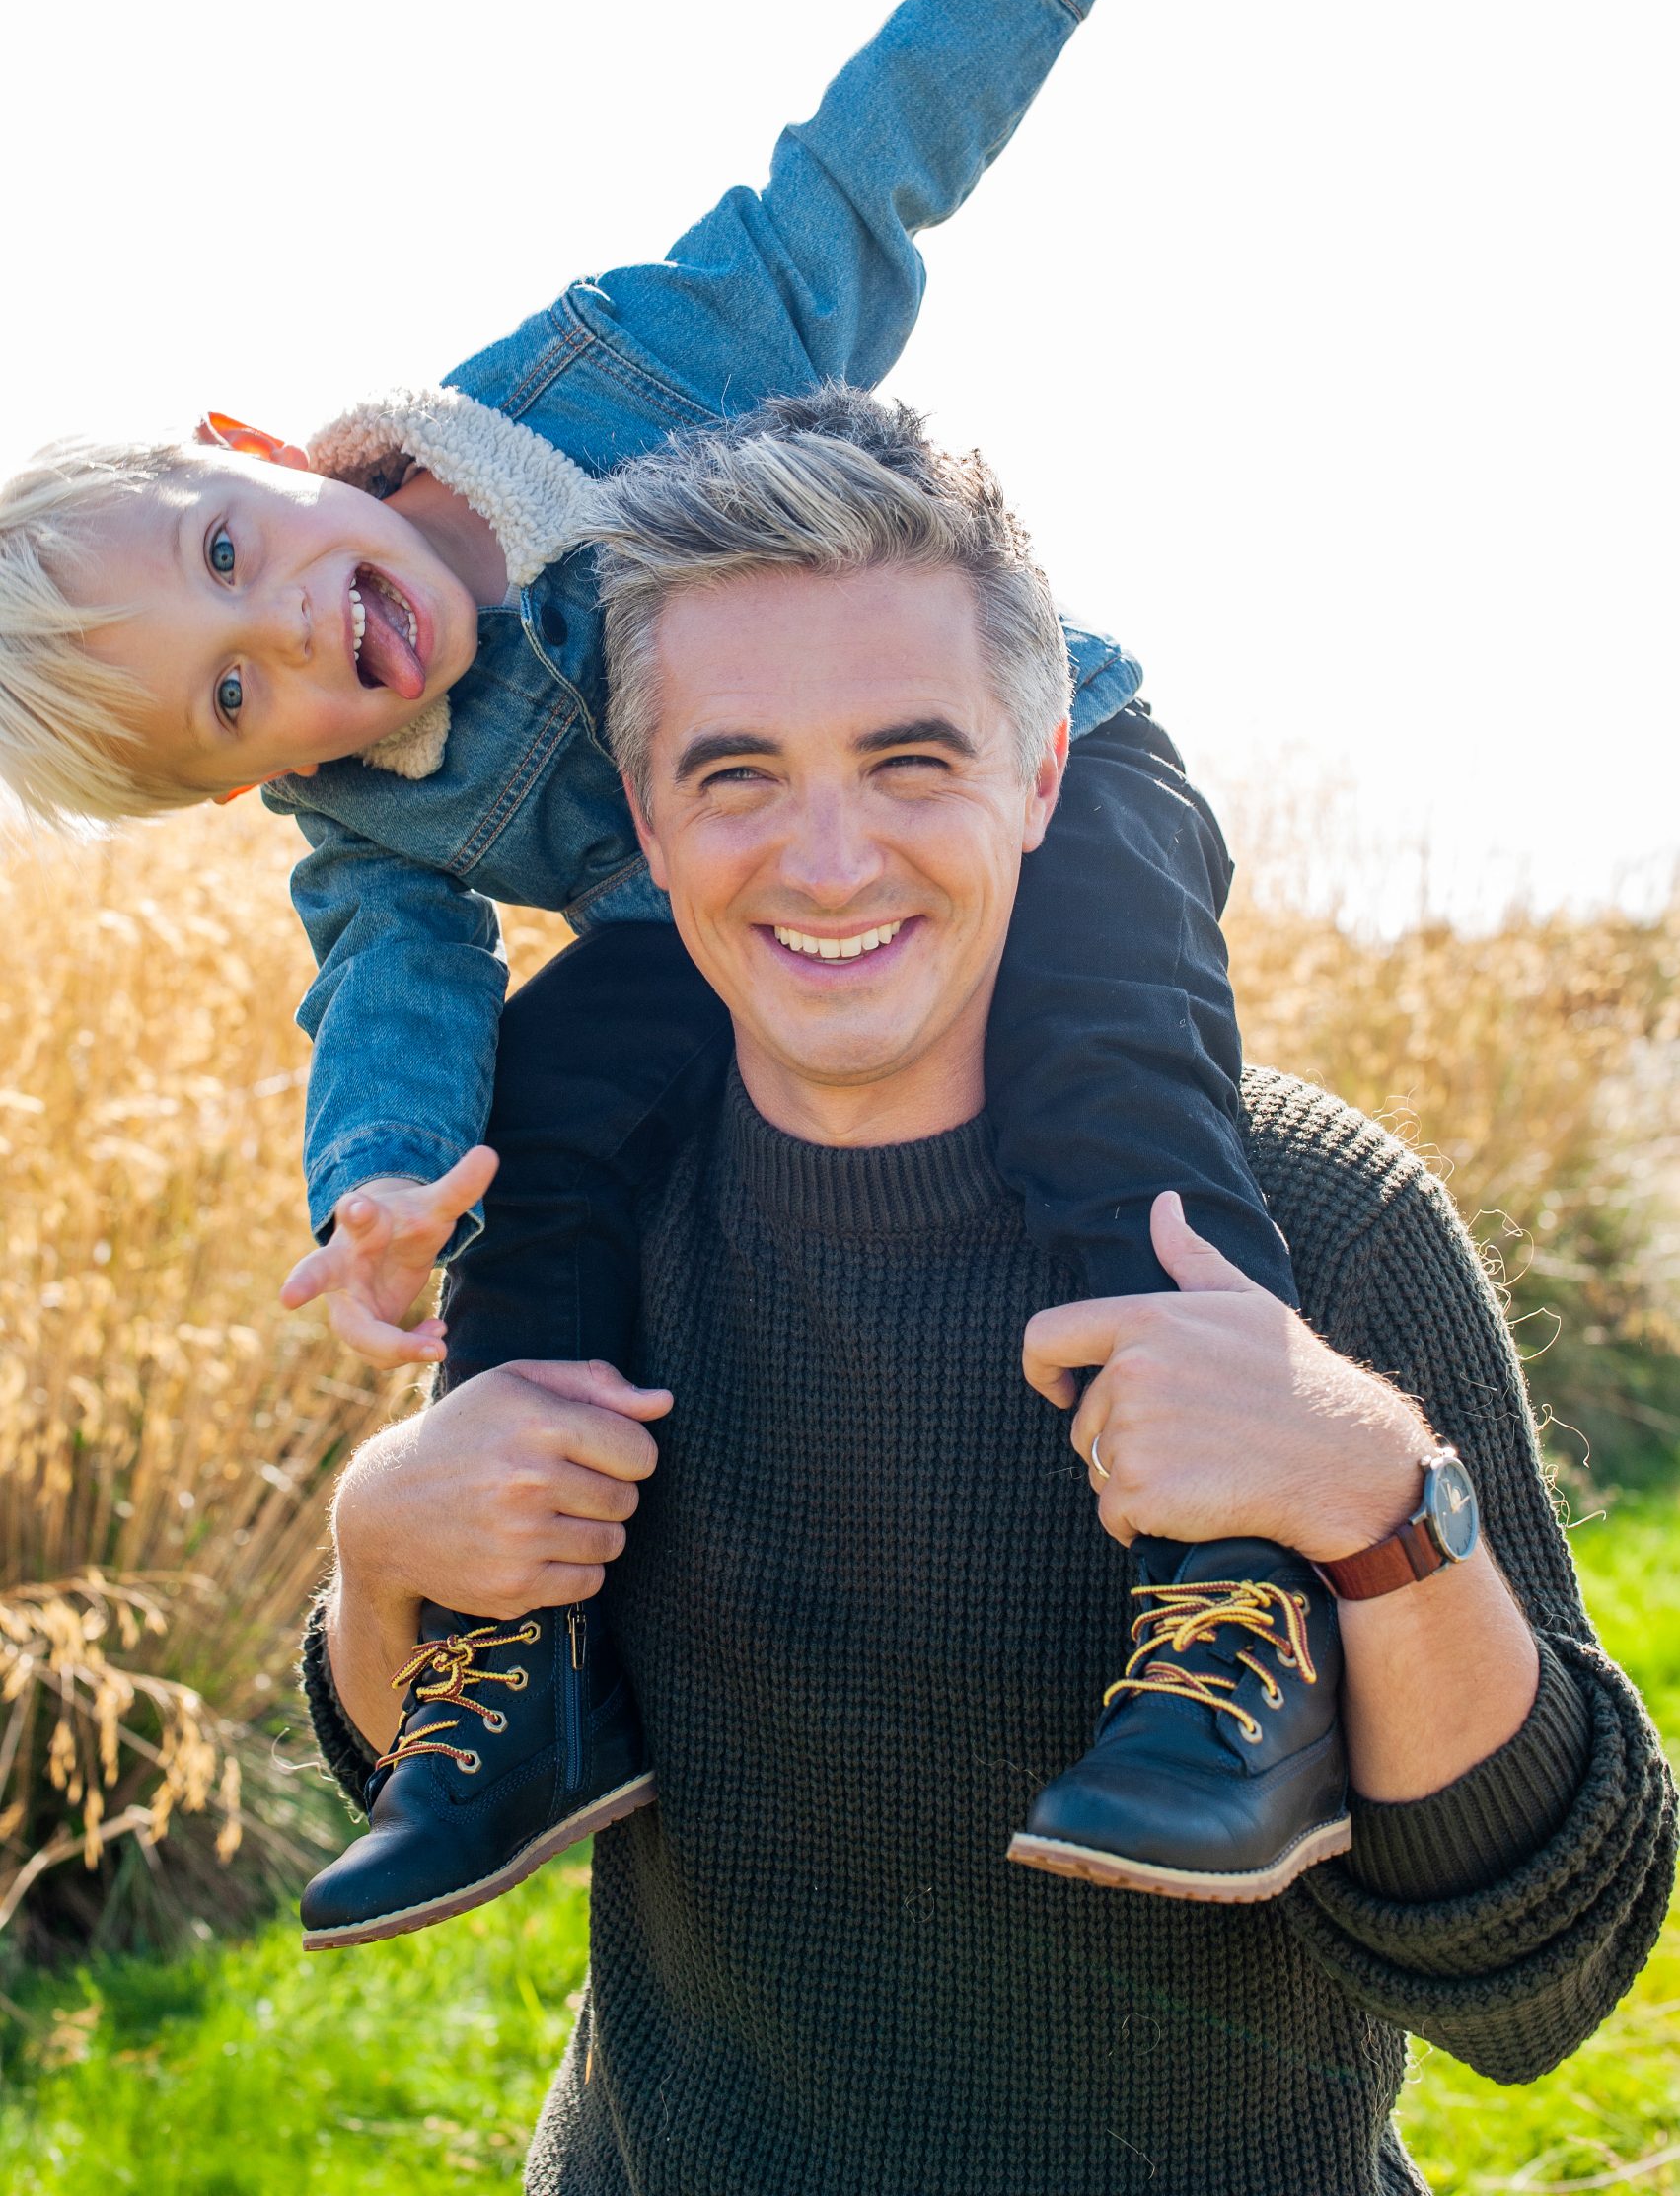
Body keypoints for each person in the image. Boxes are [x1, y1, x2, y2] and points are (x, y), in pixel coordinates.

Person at [2, 0, 1319, 1932]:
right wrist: (384, 1188)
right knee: (546, 1150)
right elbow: (395, 994)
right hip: (724, 927)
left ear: (257, 448)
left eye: (240, 555)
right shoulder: (372, 813)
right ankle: (521, 1680)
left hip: (1028, 790)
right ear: (249, 778)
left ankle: (1233, 1612)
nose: (291, 637)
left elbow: (852, 181)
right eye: (232, 696)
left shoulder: (618, 376)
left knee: (1115, 1075)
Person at [297, 393, 1674, 2194]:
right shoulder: (577, 1221)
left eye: (911, 762)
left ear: (1041, 779)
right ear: (642, 816)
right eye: (738, 777)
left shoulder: (1310, 1223)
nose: (832, 859)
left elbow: (1538, 1980)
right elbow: (444, 1752)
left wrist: (1376, 1506)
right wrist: (372, 1557)